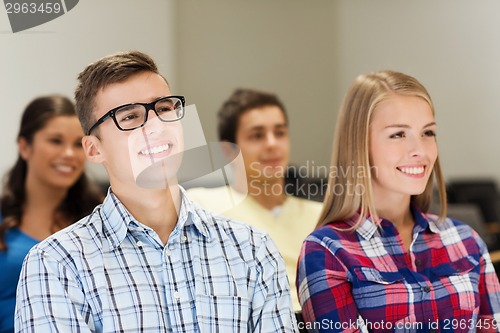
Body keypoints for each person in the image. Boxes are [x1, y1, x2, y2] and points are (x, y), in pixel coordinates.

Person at [15, 51, 297, 332]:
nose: (155, 126)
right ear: (94, 149)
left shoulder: (253, 249)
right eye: (128, 116)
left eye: (163, 108)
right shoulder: (56, 264)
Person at [296, 70, 500, 332]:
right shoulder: (327, 253)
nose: (421, 150)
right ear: (359, 145)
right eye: (398, 134)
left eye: (428, 132)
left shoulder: (466, 240)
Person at [187, 88, 322, 310]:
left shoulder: (321, 214)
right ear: (229, 151)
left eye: (279, 133)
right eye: (257, 135)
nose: (272, 144)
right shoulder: (201, 206)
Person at [0, 95, 102, 333]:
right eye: (55, 141)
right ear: (25, 147)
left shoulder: (101, 217)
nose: (68, 153)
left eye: (78, 144)